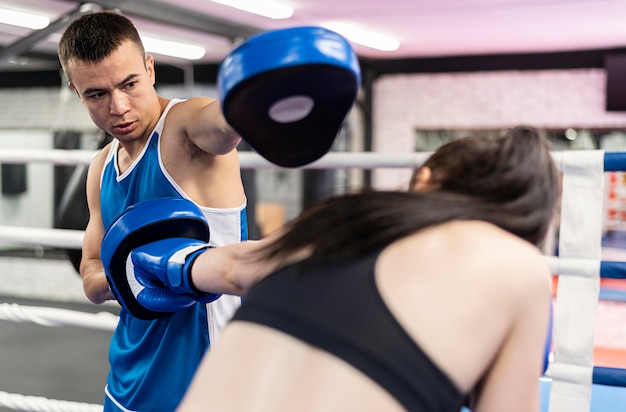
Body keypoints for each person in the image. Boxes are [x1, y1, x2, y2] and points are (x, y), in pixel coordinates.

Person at [165, 126, 559, 411]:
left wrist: (158, 264)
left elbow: (229, 267)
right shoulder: (518, 264)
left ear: (424, 180)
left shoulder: (340, 219)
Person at [57, 10, 247, 411]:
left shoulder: (184, 128)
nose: (119, 107)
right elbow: (91, 273)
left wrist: (256, 96)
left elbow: (223, 124)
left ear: (150, 69)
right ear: (77, 91)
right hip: (127, 374)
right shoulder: (100, 168)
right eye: (97, 94)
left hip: (203, 376)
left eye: (129, 84)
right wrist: (130, 273)